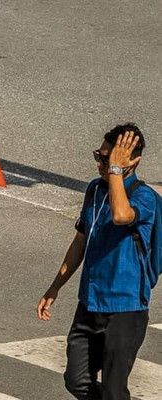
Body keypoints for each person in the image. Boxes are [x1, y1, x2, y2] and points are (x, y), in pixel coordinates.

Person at [36, 124, 156, 399]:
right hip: (90, 303)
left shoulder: (143, 197)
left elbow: (121, 215)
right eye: (100, 157)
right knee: (76, 381)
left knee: (114, 391)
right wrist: (55, 287)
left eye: (108, 159)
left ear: (133, 161)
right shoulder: (94, 190)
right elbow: (80, 241)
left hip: (125, 310)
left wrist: (115, 171)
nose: (101, 164)